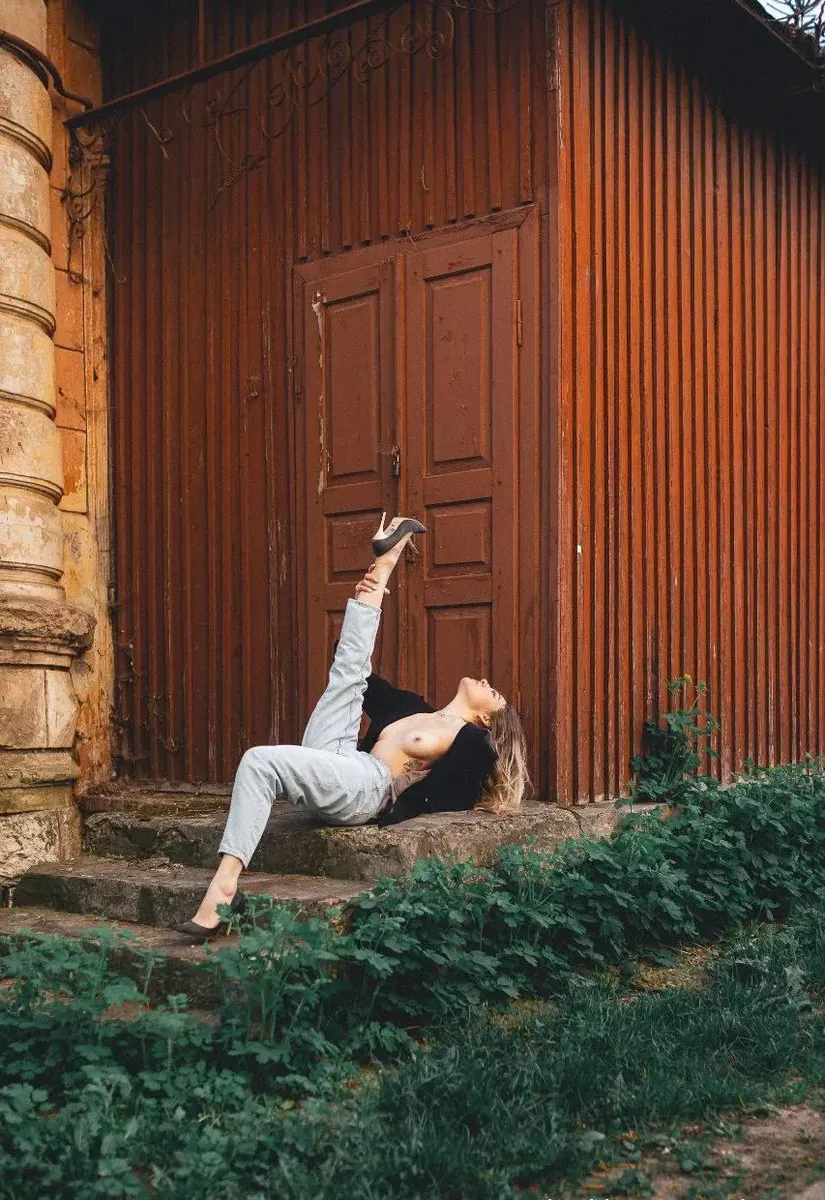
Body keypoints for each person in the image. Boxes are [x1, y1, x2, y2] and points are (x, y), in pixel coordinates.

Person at [174, 516, 530, 941]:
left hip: (367, 788)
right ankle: (385, 564)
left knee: (259, 761)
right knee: (348, 672)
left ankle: (223, 889)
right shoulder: (412, 707)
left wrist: (400, 811)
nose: (487, 682)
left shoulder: (471, 742)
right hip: (343, 761)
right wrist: (366, 597)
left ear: (487, 719)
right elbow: (350, 666)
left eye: (495, 694)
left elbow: (461, 785)